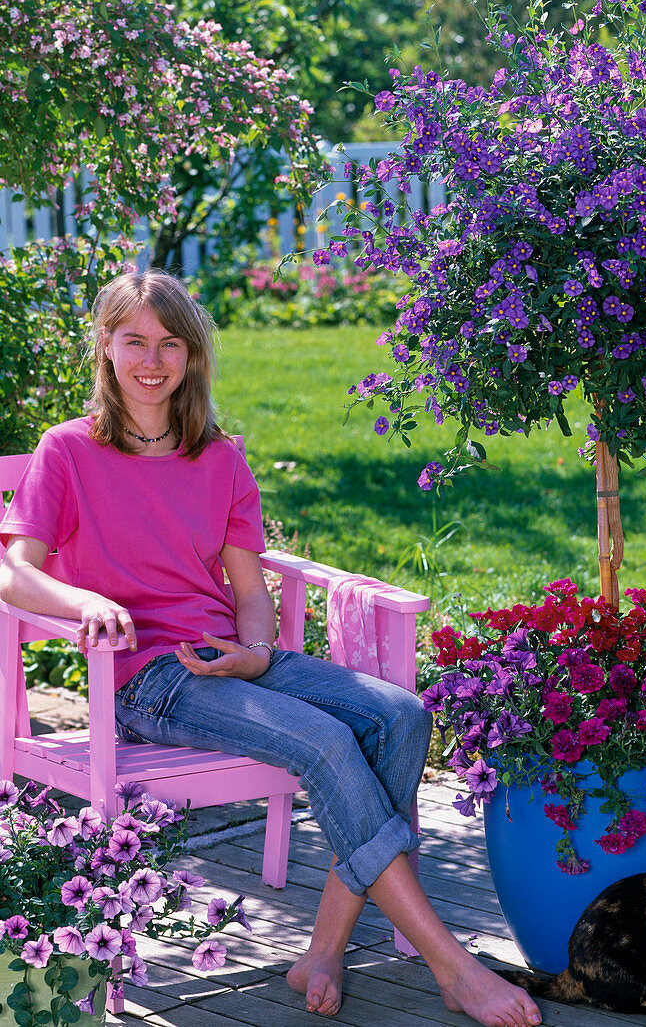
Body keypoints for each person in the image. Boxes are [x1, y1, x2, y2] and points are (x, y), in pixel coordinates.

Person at [0, 271, 541, 1027]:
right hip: (144, 678)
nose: (151, 360)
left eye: (170, 344)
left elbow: (249, 589)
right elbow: (14, 572)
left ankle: (322, 948)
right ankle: (453, 967)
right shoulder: (67, 451)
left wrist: (254, 651)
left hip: (229, 656)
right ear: (106, 347)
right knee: (324, 740)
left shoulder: (217, 457)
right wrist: (84, 600)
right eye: (134, 342)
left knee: (401, 715)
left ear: (191, 357)